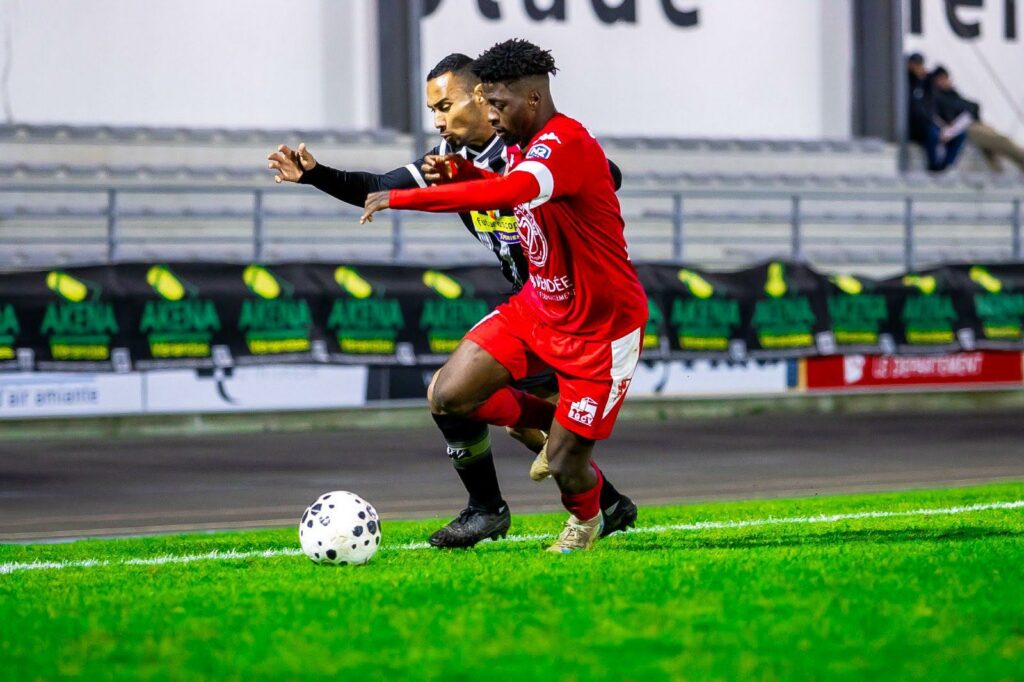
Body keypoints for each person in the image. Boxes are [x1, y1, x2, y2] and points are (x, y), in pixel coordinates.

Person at [268, 52, 636, 549]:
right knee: (454, 397)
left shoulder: (540, 147)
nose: (439, 121)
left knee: (547, 441)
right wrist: (316, 175)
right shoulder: (453, 160)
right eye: (433, 112)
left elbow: (595, 176)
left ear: (482, 99)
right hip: (533, 303)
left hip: (588, 313)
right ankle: (492, 508)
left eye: (446, 106)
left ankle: (599, 504)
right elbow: (376, 187)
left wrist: (561, 184)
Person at [931, 65, 1024, 174]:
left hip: (971, 123)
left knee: (991, 150)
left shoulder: (952, 94)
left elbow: (973, 106)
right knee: (1002, 141)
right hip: (964, 128)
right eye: (941, 79)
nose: (945, 81)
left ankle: (999, 175)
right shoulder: (937, 96)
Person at [906, 53, 966, 172]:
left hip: (931, 122)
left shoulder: (927, 85)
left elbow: (933, 108)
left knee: (959, 135)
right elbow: (917, 110)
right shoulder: (908, 83)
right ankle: (933, 165)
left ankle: (946, 166)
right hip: (916, 126)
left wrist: (944, 125)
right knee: (932, 133)